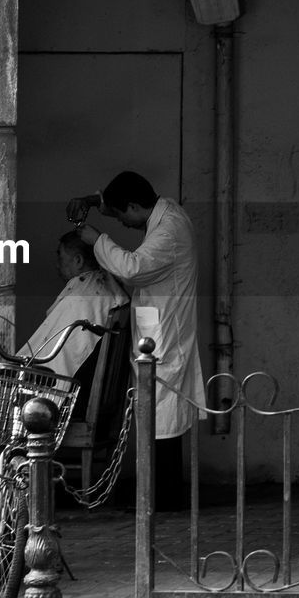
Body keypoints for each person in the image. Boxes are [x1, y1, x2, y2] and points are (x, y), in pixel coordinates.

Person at [68, 171, 205, 511]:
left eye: (121, 215)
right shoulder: (164, 209)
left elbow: (131, 268)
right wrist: (93, 201)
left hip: (164, 328)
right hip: (155, 320)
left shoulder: (170, 229)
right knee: (155, 410)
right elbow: (122, 206)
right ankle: (157, 491)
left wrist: (96, 238)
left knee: (162, 413)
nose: (123, 224)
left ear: (133, 205)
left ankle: (163, 496)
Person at [17, 231, 128, 386]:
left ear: (78, 261)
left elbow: (61, 358)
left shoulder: (82, 298)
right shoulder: (102, 291)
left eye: (61, 259)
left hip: (60, 385)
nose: (57, 265)